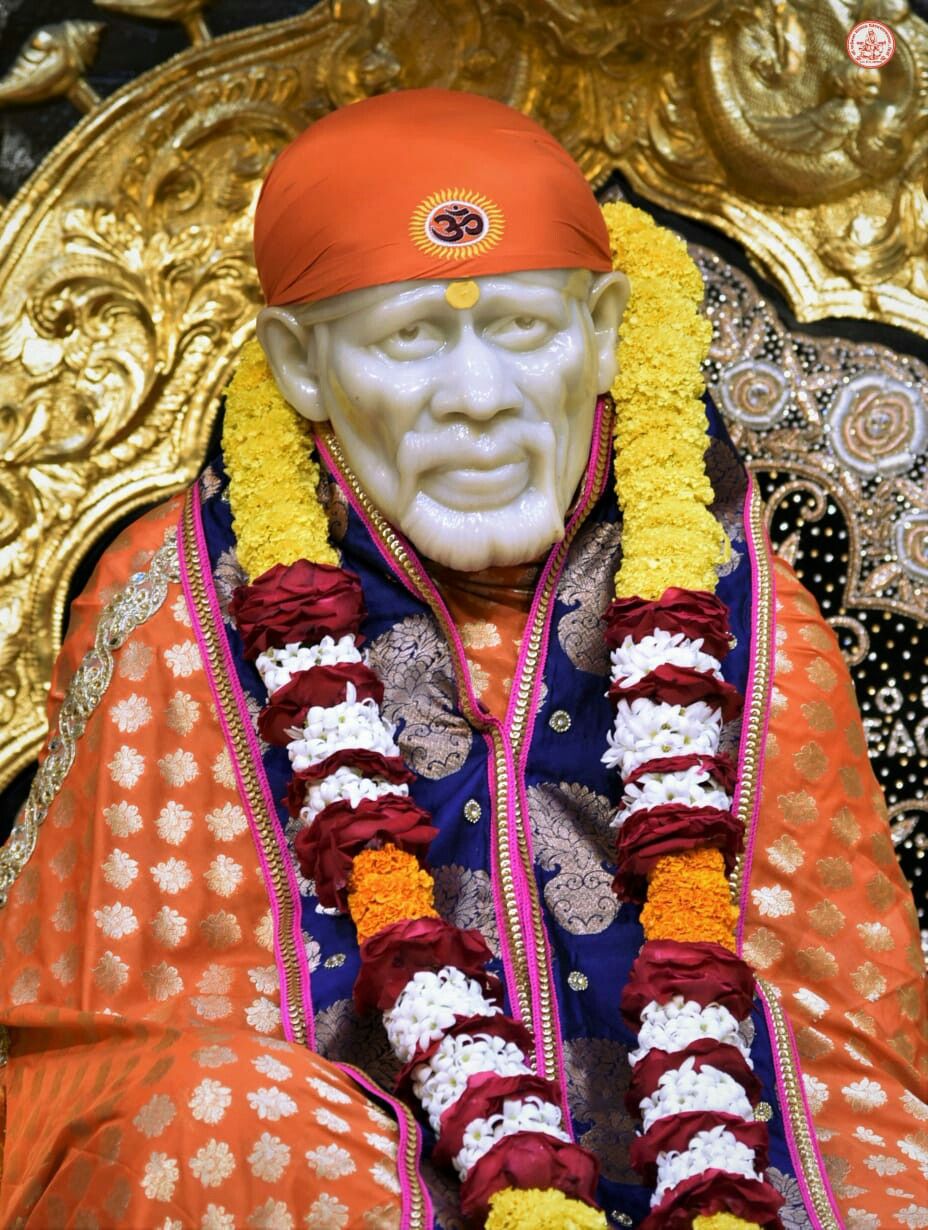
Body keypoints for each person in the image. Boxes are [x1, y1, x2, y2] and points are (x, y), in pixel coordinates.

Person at [0, 88, 923, 1230]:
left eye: (522, 330)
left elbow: (846, 1042)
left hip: (722, 1181)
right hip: (343, 1185)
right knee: (211, 1121)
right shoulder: (177, 606)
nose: (480, 402)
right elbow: (112, 1053)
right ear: (297, 366)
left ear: (600, 334)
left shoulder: (743, 607)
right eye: (410, 339)